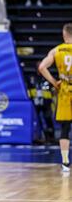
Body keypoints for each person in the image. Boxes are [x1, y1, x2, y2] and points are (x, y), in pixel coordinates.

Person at [38, 23, 72, 172]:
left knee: (65, 128)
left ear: (64, 34)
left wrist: (54, 82)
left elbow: (41, 67)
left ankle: (65, 162)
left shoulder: (56, 50)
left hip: (64, 89)